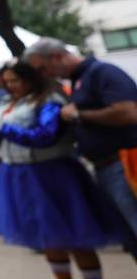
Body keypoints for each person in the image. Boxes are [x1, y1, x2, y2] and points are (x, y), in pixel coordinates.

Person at [0, 62, 127, 279]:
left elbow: (44, 136)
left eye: (15, 80)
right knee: (49, 239)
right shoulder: (8, 102)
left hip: (53, 174)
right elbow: (4, 136)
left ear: (31, 79)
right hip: (19, 175)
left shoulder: (51, 101)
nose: (10, 86)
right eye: (6, 81)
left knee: (75, 238)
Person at [24, 38, 137, 256]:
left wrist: (78, 115)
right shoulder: (81, 80)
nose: (44, 75)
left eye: (42, 69)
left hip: (123, 163)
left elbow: (128, 112)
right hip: (107, 166)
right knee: (129, 235)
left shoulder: (102, 73)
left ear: (56, 57)